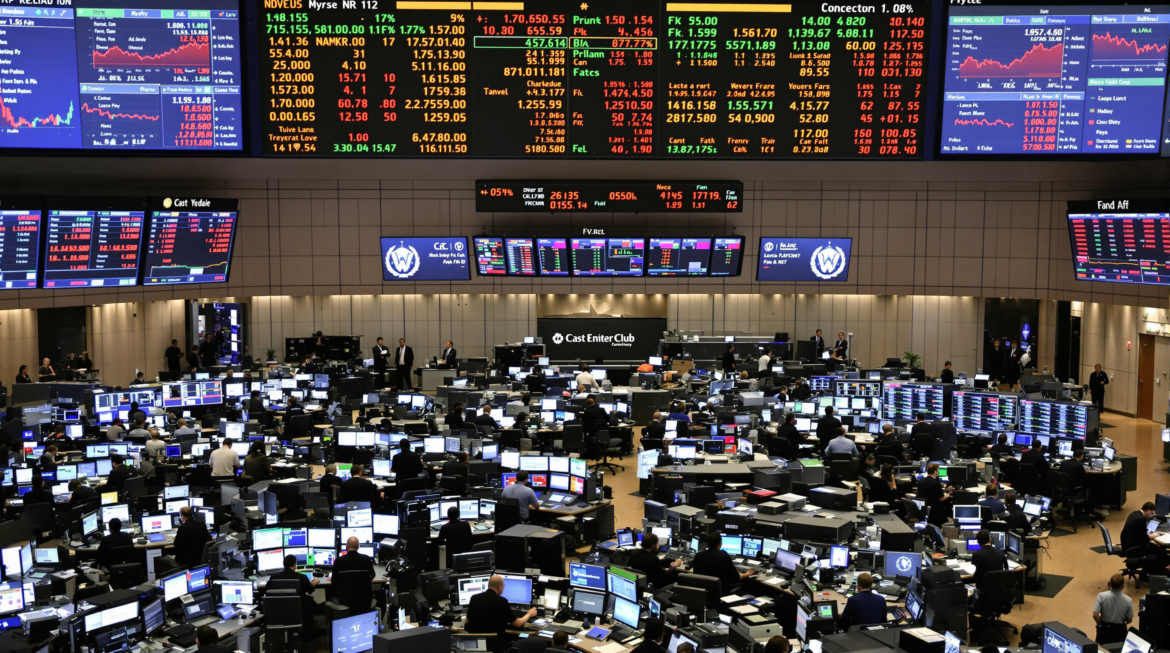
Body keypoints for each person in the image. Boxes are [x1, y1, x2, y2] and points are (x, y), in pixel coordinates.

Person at [465, 575, 538, 646]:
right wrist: (529, 614)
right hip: (495, 645)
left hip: (476, 644)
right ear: (500, 586)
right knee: (525, 638)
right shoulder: (502, 601)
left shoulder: (474, 598)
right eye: (503, 586)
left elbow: (467, 621)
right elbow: (517, 624)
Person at [690, 533, 756, 589]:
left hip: (703, 590)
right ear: (720, 543)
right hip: (721, 590)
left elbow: (695, 573)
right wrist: (748, 573)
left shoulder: (698, 555)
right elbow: (737, 577)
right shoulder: (724, 557)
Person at [1121, 502, 1170, 575]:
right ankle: (1157, 573)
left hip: (1128, 544)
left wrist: (1150, 536)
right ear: (1147, 511)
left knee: (1157, 548)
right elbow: (1145, 540)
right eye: (1152, 513)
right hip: (1133, 548)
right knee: (1159, 551)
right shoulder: (1141, 519)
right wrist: (1154, 535)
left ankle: (1149, 571)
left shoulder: (1135, 514)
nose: (1152, 516)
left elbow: (1140, 535)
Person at [272, 553, 321, 619]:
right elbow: (310, 591)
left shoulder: (274, 577)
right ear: (295, 564)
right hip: (299, 606)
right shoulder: (302, 577)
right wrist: (313, 584)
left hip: (280, 608)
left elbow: (267, 591)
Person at [333, 537, 376, 609]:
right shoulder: (366, 559)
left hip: (344, 599)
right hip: (364, 599)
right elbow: (372, 575)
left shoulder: (339, 561)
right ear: (358, 546)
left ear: (346, 546)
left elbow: (333, 582)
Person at [1093, 573, 1134, 644]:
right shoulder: (1128, 600)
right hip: (1120, 631)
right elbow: (1129, 620)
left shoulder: (1101, 596)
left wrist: (1101, 624)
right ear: (1122, 586)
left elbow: (1095, 615)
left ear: (1110, 584)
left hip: (1105, 630)